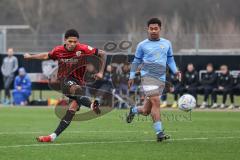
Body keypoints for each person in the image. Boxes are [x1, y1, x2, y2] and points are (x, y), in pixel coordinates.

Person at [24, 29, 106, 142]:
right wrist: (30, 57)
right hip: (65, 81)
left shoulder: (83, 49)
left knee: (71, 110)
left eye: (75, 42)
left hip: (79, 84)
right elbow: (45, 56)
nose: (72, 44)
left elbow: (102, 53)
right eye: (70, 41)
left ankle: (52, 137)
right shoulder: (58, 50)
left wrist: (101, 72)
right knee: (76, 89)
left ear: (78, 41)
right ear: (65, 40)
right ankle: (92, 105)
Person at [127, 18, 181, 142]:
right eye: (151, 29)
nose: (153, 31)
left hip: (161, 79)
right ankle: (159, 132)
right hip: (147, 78)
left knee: (146, 111)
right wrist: (131, 76)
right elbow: (136, 62)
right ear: (148, 29)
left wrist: (175, 71)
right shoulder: (142, 45)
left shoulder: (167, 43)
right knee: (156, 102)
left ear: (160, 29)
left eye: (156, 28)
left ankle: (134, 110)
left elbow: (170, 59)